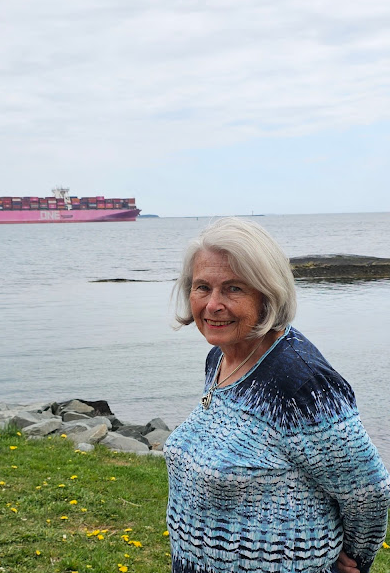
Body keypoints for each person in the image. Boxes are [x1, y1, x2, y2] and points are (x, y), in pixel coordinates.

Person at [164, 217, 390, 573]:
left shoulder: (301, 382)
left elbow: (367, 491)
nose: (212, 304)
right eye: (202, 287)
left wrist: (353, 559)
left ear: (267, 294)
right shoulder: (221, 356)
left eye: (234, 289)